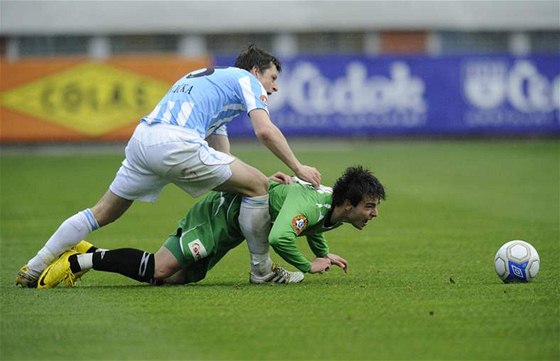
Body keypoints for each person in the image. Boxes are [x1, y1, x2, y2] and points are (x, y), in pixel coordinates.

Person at [16, 44, 321, 288]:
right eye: (273, 78)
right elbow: (265, 130)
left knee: (102, 212)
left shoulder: (210, 82)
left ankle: (35, 266)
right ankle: (262, 272)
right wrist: (298, 167)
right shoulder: (245, 80)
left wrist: (252, 180)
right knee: (256, 184)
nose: (274, 87)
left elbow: (225, 163)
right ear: (255, 70)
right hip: (175, 143)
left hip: (143, 139)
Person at [36, 166, 385, 288]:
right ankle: (76, 263)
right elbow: (281, 235)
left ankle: (90, 252)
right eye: (369, 207)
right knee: (160, 269)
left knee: (177, 279)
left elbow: (313, 228)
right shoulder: (310, 204)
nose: (374, 214)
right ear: (348, 204)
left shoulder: (332, 209)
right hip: (219, 216)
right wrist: (309, 265)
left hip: (235, 229)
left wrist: (324, 253)